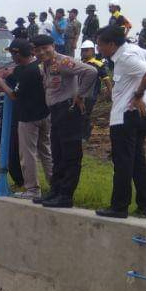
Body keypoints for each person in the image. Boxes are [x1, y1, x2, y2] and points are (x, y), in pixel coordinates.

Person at [95, 26, 146, 218]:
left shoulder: (126, 57)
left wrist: (138, 94)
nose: (99, 49)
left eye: (100, 45)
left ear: (112, 44)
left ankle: (119, 207)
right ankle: (145, 206)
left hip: (126, 116)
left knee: (123, 163)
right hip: (142, 115)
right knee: (138, 161)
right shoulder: (134, 49)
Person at [30, 34, 98, 208]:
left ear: (53, 46)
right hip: (56, 113)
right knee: (57, 154)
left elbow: (91, 72)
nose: (42, 52)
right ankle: (55, 190)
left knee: (70, 155)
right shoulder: (45, 65)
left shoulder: (63, 62)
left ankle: (66, 195)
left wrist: (80, 94)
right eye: (38, 50)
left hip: (68, 111)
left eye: (45, 48)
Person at [0, 40, 51, 199]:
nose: (11, 57)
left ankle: (33, 189)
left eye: (12, 54)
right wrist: (11, 73)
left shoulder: (28, 73)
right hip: (45, 114)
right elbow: (17, 72)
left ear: (18, 54)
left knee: (28, 154)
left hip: (29, 118)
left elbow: (14, 95)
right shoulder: (39, 66)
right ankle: (56, 185)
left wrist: (1, 83)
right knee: (46, 152)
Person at [80, 40, 110, 140]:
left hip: (92, 94)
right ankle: (82, 133)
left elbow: (106, 79)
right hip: (80, 94)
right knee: (80, 114)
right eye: (82, 50)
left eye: (86, 50)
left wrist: (110, 92)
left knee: (85, 114)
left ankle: (85, 135)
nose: (84, 53)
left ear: (92, 51)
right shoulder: (80, 64)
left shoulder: (98, 64)